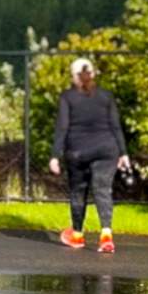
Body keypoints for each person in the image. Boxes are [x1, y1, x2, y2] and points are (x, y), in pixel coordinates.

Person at [49, 57, 131, 253]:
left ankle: (77, 236)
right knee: (103, 190)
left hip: (77, 152)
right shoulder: (106, 96)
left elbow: (62, 127)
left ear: (73, 77)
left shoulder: (67, 97)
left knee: (78, 191)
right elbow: (115, 126)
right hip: (106, 149)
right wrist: (123, 153)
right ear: (93, 74)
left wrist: (55, 155)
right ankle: (106, 237)